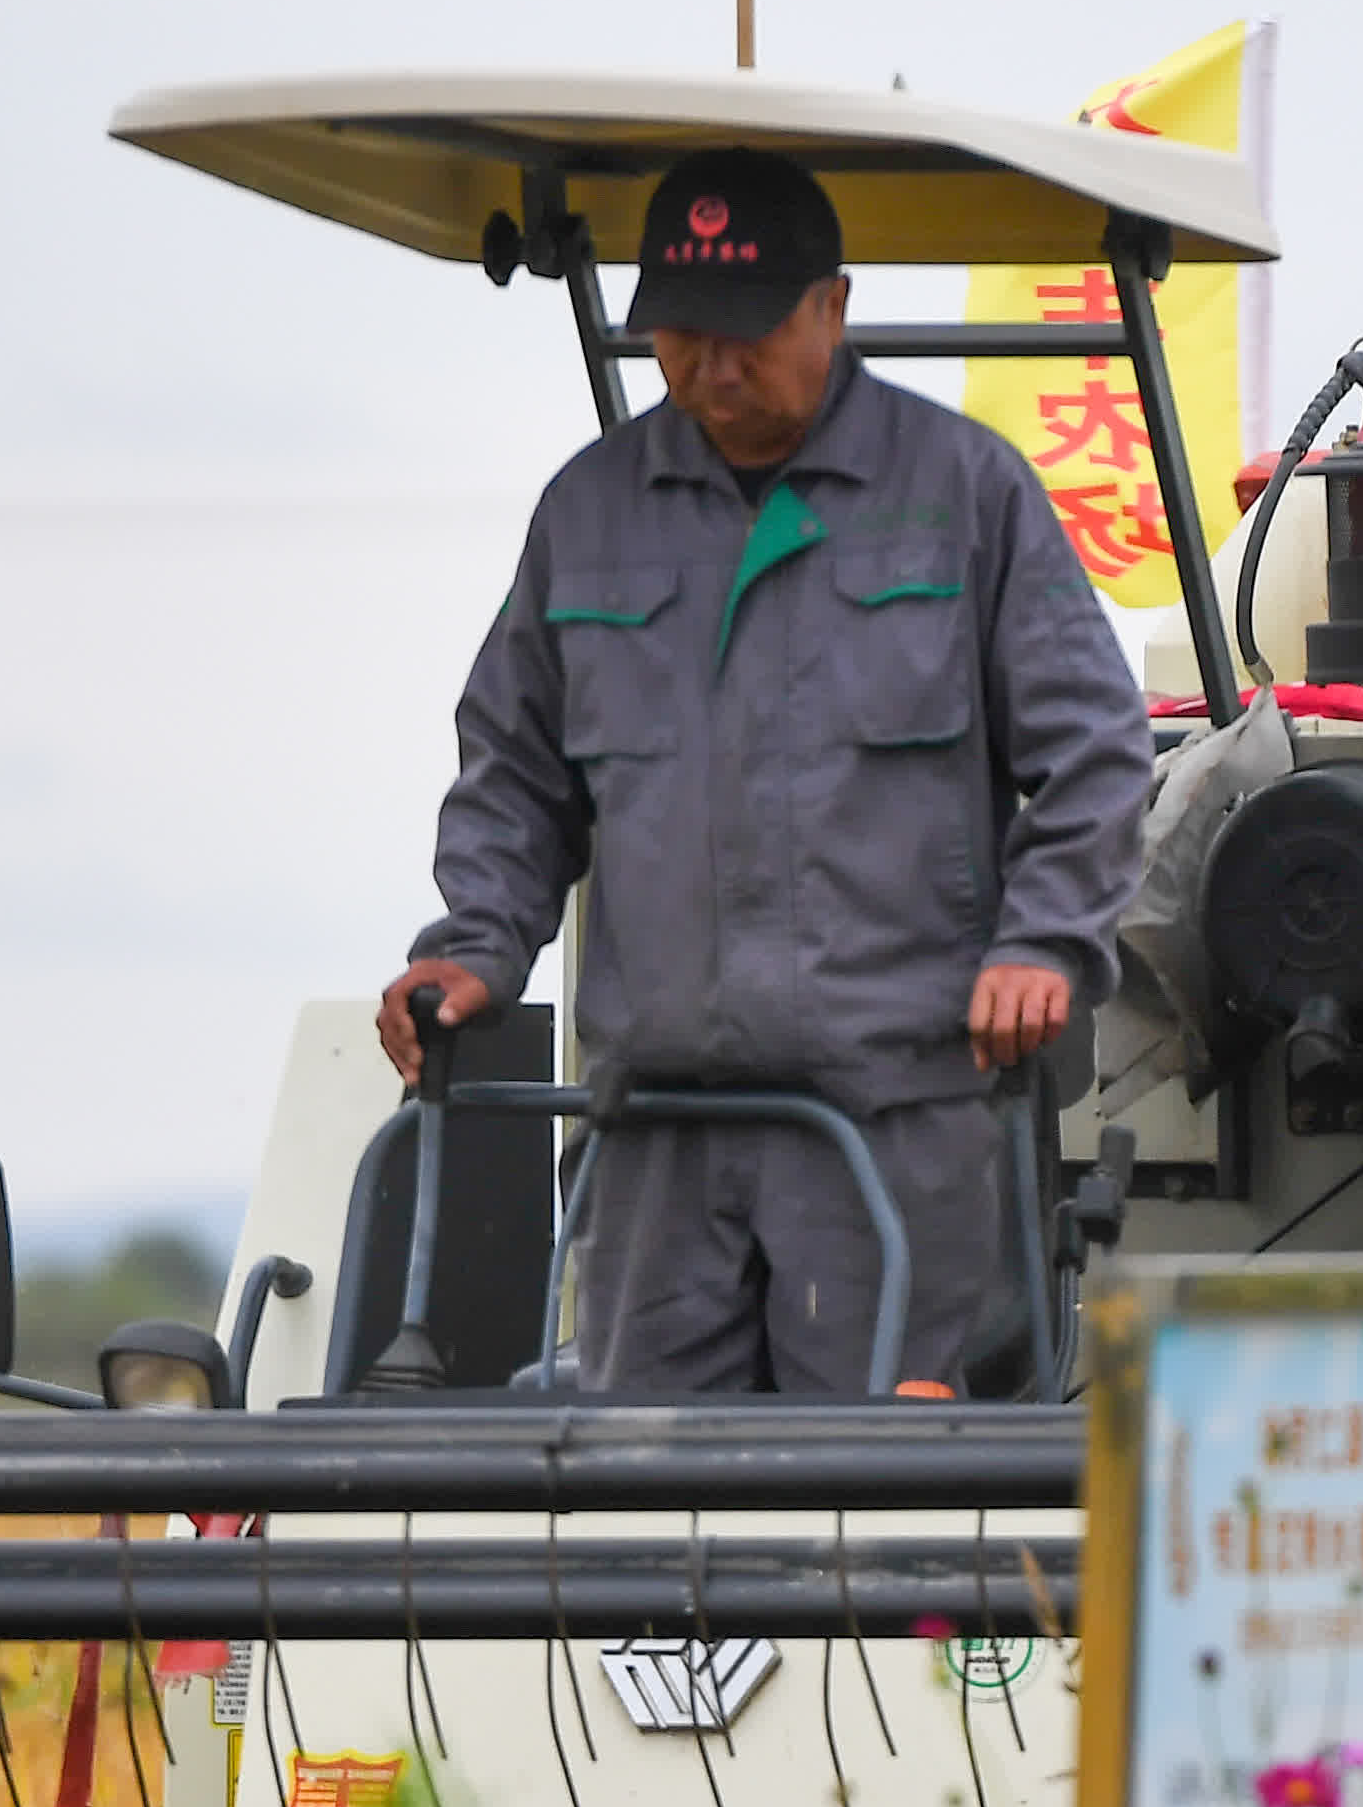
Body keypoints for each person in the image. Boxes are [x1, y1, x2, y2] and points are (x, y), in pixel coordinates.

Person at [380, 147, 1153, 1393]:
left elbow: (1098, 748)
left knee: (877, 1539)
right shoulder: (588, 518)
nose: (713, 367)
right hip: (654, 1146)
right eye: (681, 334)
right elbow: (515, 773)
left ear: (831, 308)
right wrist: (476, 945)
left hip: (892, 1130)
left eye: (746, 332)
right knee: (642, 1516)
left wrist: (1046, 941)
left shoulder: (963, 494)